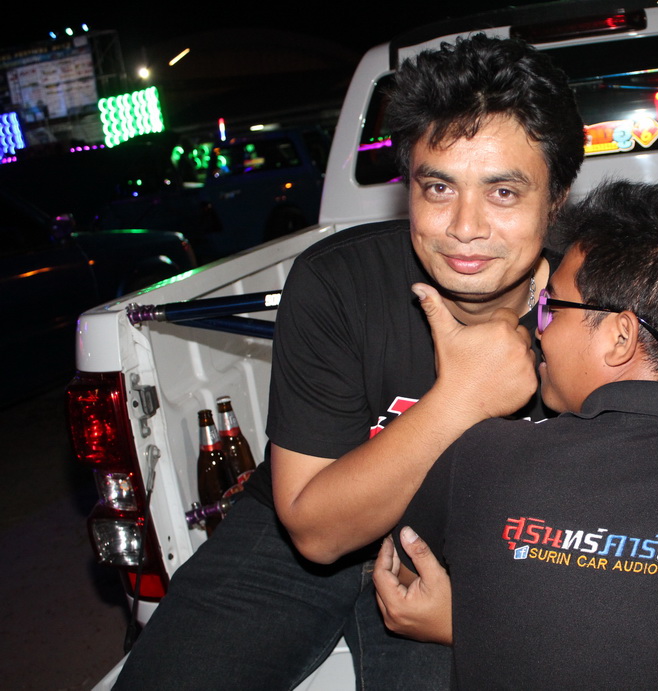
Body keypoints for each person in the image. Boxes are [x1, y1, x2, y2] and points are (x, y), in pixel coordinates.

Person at [114, 34, 585, 689]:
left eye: (503, 192)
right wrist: (463, 398)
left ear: (556, 198)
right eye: (438, 187)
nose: (465, 225)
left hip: (477, 542)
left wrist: (486, 615)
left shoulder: (590, 311)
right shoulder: (337, 281)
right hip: (306, 525)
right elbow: (315, 531)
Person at [375, 180, 658, 688]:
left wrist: (462, 624)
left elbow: (402, 582)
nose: (538, 327)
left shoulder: (483, 457)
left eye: (552, 307)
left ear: (621, 337)